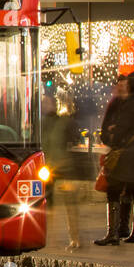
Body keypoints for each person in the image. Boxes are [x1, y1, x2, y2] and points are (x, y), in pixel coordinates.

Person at [94, 72, 134, 246]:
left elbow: (121, 129)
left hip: (126, 154)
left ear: (133, 87)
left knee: (114, 189)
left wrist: (112, 134)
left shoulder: (130, 105)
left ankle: (113, 233)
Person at [43, 91, 84, 249]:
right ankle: (49, 238)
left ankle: (74, 238)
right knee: (48, 204)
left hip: (64, 168)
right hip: (47, 169)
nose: (46, 106)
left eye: (48, 103)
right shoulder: (41, 123)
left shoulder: (64, 122)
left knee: (69, 204)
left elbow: (75, 138)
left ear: (54, 104)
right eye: (44, 103)